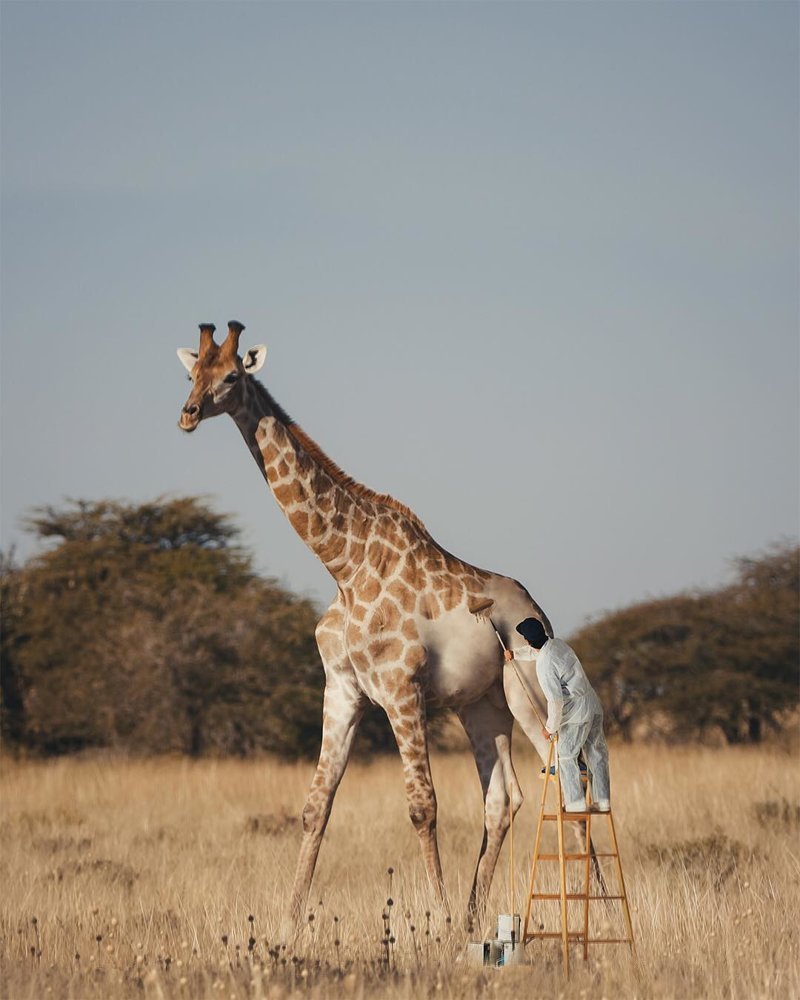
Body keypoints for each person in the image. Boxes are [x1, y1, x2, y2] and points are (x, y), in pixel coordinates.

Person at [504, 617, 610, 813]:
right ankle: (602, 801)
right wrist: (514, 654)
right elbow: (538, 652)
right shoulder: (557, 644)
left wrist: (550, 728)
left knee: (565, 757)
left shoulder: (544, 665)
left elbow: (555, 701)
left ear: (527, 640)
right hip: (592, 703)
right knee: (597, 752)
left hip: (577, 710)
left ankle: (575, 805)